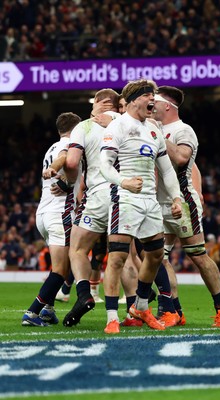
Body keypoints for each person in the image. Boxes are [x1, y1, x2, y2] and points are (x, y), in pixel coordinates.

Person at [99, 78, 182, 334]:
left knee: (156, 255)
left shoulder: (154, 130)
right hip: (125, 198)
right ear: (135, 99)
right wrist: (124, 182)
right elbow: (105, 165)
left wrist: (176, 197)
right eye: (150, 95)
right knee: (118, 257)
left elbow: (167, 170)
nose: (153, 100)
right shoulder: (118, 126)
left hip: (150, 201)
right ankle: (112, 317)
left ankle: (141, 306)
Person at [153, 85, 220, 327]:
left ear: (167, 105)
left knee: (197, 255)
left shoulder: (183, 130)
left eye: (154, 101)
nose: (150, 105)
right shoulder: (151, 128)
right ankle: (174, 311)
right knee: (158, 258)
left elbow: (183, 158)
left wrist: (157, 134)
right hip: (158, 203)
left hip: (183, 201)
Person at [62, 88, 121, 327]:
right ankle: (139, 308)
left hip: (98, 196)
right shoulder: (128, 123)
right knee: (126, 256)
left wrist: (66, 182)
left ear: (96, 102)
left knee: (77, 249)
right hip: (127, 195)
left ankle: (84, 293)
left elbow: (73, 162)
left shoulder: (84, 126)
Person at [21, 112, 82, 326]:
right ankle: (33, 312)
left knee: (59, 265)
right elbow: (65, 157)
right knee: (61, 269)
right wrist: (55, 168)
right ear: (76, 128)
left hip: (44, 214)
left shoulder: (50, 148)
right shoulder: (70, 146)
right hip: (60, 213)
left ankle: (48, 309)